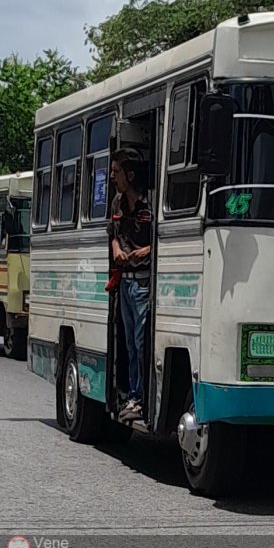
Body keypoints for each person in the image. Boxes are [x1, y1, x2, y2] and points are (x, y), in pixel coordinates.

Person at [107, 148, 152, 421]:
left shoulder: (151, 203)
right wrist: (116, 250)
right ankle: (134, 397)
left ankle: (140, 395)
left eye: (116, 172)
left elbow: (159, 242)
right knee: (129, 343)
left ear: (130, 174)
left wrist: (144, 251)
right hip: (125, 282)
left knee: (140, 342)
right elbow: (113, 233)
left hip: (145, 282)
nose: (113, 177)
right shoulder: (116, 203)